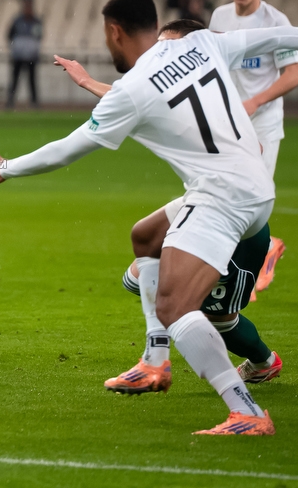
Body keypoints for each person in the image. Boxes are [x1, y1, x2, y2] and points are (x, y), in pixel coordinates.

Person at [0, 0, 298, 434]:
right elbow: (280, 37)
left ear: (115, 32)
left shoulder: (133, 88)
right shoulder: (202, 43)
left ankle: (245, 410)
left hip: (222, 197)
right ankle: (155, 362)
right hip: (256, 187)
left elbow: (66, 150)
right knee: (146, 236)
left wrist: (7, 169)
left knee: (175, 305)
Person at [54, 20, 282, 395]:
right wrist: (88, 83)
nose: (160, 56)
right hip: (203, 212)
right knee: (142, 263)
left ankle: (262, 365)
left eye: (168, 46)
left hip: (236, 227)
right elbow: (140, 101)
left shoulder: (218, 104)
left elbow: (247, 159)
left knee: (217, 319)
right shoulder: (182, 91)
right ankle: (156, 358)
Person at [208, 0, 298, 291]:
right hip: (228, 124)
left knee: (252, 199)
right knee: (225, 194)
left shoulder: (276, 23)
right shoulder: (219, 16)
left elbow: (295, 74)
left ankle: (256, 260)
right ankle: (250, 260)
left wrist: (256, 101)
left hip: (262, 122)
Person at [6, 0, 42, 109]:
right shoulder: (17, 21)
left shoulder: (36, 21)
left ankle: (34, 102)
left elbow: (39, 36)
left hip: (31, 55)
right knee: (15, 79)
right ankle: (10, 101)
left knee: (32, 80)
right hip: (18, 55)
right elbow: (9, 35)